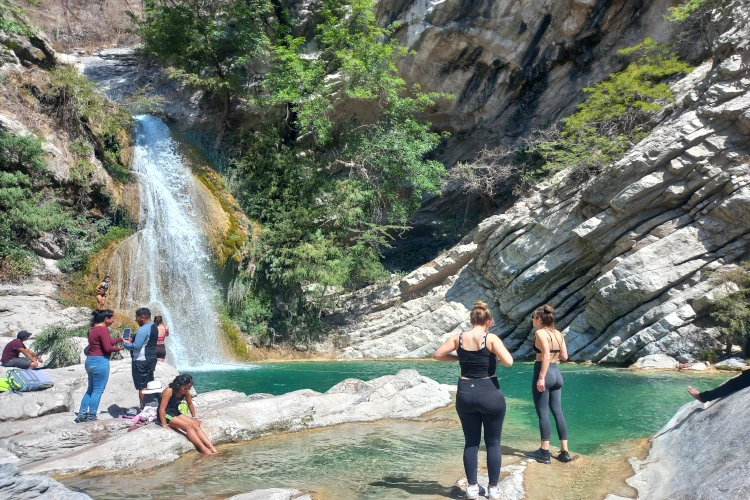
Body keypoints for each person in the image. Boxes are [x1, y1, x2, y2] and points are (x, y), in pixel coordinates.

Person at [433, 301, 513, 500]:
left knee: (471, 442)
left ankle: (472, 488)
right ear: (488, 322)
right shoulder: (491, 338)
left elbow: (437, 355)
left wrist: (459, 359)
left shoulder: (458, 338)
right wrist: (492, 357)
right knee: (493, 442)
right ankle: (493, 489)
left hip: (466, 393)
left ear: (472, 320)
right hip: (489, 391)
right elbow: (509, 362)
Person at [524, 305, 572, 464]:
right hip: (557, 373)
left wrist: (541, 377)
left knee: (543, 413)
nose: (532, 320)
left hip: (544, 372)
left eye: (533, 317)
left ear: (539, 319)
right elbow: (565, 356)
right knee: (558, 412)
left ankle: (544, 452)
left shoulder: (540, 333)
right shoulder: (558, 333)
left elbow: (544, 355)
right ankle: (565, 452)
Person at [75, 309, 123, 423]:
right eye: (112, 318)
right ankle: (91, 416)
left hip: (90, 361)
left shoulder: (92, 329)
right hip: (100, 361)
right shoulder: (103, 330)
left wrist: (120, 339)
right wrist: (120, 348)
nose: (113, 320)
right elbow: (107, 348)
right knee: (97, 391)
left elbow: (109, 342)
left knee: (90, 390)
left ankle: (81, 415)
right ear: (106, 319)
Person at [159, 374, 218, 454]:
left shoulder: (186, 391)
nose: (187, 390)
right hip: (166, 414)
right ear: (178, 385)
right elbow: (162, 409)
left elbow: (189, 403)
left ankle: (212, 448)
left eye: (189, 388)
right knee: (188, 426)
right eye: (185, 388)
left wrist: (194, 417)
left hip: (175, 412)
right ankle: (204, 450)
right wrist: (164, 424)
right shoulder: (169, 390)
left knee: (195, 424)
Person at [122, 307, 158, 408]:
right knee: (150, 383)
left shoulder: (143, 329)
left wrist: (126, 343)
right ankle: (152, 405)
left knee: (142, 386)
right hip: (151, 358)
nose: (136, 320)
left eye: (136, 318)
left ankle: (143, 408)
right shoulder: (154, 327)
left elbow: (136, 346)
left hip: (140, 360)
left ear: (142, 317)